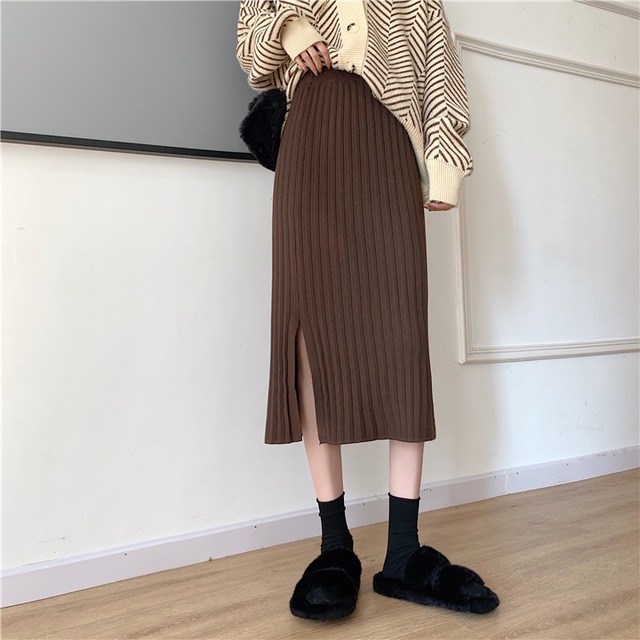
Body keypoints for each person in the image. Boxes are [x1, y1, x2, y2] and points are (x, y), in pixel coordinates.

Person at [236, 0, 499, 621]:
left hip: (388, 150)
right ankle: (335, 547)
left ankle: (403, 551)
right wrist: (289, 28)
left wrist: (444, 168)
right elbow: (251, 43)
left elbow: (442, 77)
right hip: (310, 148)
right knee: (309, 338)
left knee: (400, 337)